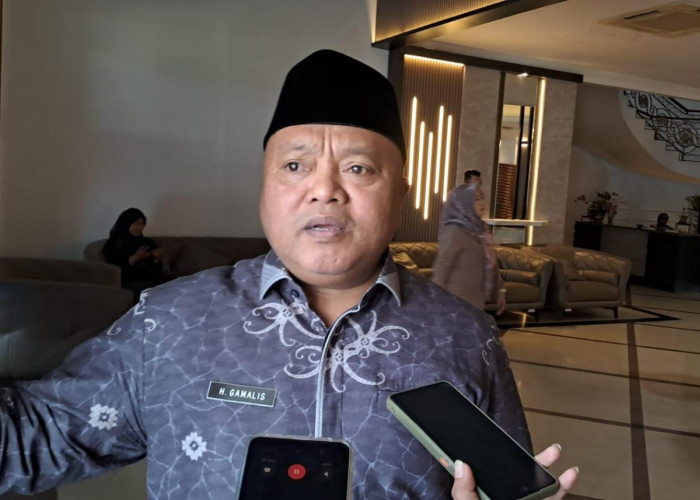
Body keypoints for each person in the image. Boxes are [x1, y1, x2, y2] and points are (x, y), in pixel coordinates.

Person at [0, 50, 577, 499]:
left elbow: (505, 485)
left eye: (358, 168)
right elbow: (33, 439)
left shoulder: (467, 336)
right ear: (266, 186)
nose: (324, 189)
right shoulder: (170, 319)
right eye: (295, 165)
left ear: (400, 194)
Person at [432, 170, 507, 315]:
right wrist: (435, 305)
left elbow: (490, 261)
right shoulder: (454, 231)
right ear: (465, 203)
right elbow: (442, 268)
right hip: (455, 305)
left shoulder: (482, 230)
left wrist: (500, 289)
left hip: (476, 303)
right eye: (476, 200)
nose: (482, 204)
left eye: (482, 198)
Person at [103, 207, 170, 297]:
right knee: (150, 289)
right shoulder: (114, 244)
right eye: (136, 224)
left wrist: (157, 258)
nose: (140, 228)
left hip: (151, 278)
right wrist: (136, 257)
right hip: (129, 281)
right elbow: (115, 269)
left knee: (173, 284)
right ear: (126, 224)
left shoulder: (146, 242)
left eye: (142, 224)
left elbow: (157, 269)